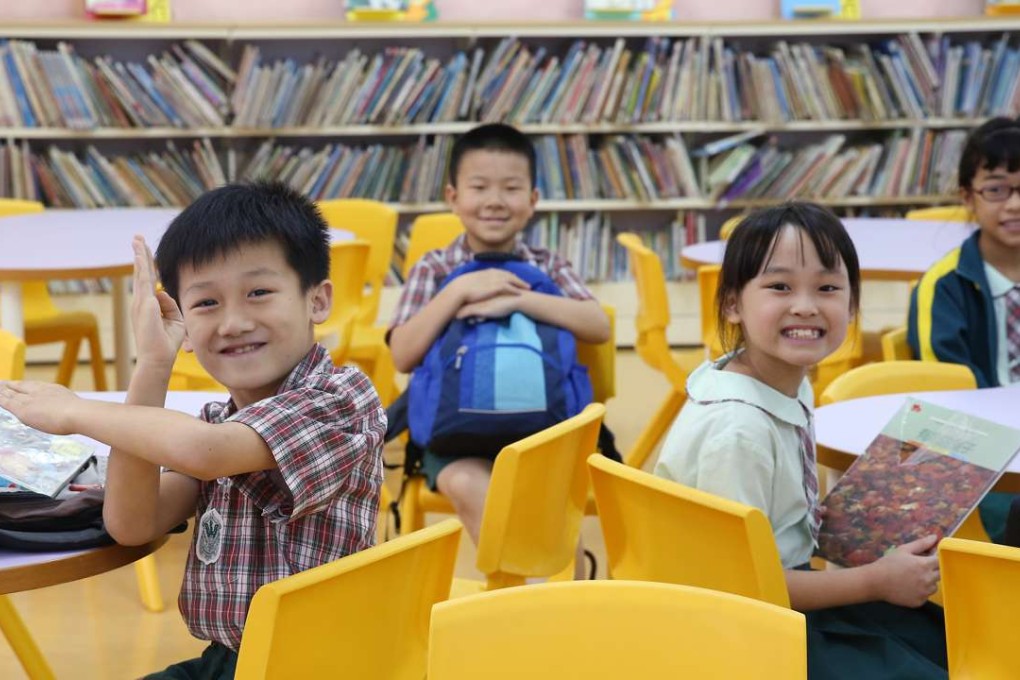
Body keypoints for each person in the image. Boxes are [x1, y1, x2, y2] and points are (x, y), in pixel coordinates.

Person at [0, 181, 386, 679]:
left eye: (259, 293)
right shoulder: (221, 421)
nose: (233, 323)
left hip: (315, 667)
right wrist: (152, 367)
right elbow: (133, 523)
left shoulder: (340, 400)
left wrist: (75, 411)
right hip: (230, 661)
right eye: (206, 304)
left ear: (317, 301)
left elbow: (205, 452)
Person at [655, 203, 947, 679]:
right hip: (750, 628)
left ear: (852, 305)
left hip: (780, 595)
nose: (806, 305)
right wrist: (874, 581)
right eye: (779, 286)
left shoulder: (779, 380)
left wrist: (808, 510)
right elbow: (744, 587)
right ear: (732, 303)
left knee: (942, 637)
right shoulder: (738, 431)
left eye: (828, 288)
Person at [388, 122, 610, 546]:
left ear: (532, 201)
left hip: (544, 431)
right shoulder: (434, 268)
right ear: (453, 197)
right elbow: (402, 354)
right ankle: (521, 593)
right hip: (454, 434)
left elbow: (597, 326)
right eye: (479, 187)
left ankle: (545, 596)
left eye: (510, 188)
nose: (494, 201)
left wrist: (518, 300)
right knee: (470, 484)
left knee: (550, 505)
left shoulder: (549, 265)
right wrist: (458, 290)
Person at [907, 116, 1020, 542]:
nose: (1013, 204)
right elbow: (947, 399)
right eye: (996, 189)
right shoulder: (945, 286)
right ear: (968, 197)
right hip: (977, 448)